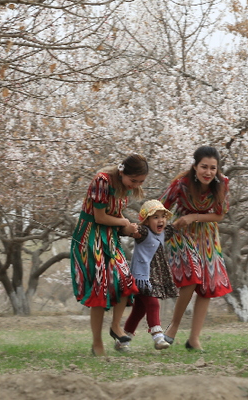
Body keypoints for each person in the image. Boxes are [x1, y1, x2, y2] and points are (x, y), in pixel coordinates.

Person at [70, 154, 147, 356]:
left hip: (110, 238)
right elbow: (100, 216)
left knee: (125, 281)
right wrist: (123, 223)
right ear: (122, 172)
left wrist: (129, 227)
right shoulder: (102, 181)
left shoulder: (124, 187)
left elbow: (115, 216)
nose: (135, 185)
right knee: (100, 288)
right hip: (90, 238)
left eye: (140, 182)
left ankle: (115, 326)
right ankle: (97, 344)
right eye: (133, 180)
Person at [161, 146, 233, 351]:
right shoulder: (180, 184)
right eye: (204, 167)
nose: (208, 172)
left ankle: (194, 339)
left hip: (208, 235)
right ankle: (173, 326)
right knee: (193, 276)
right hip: (181, 232)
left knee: (208, 286)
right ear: (194, 166)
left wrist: (195, 216)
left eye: (213, 168)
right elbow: (161, 206)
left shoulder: (222, 184)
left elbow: (220, 215)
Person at [122, 199, 179, 350]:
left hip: (154, 278)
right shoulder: (145, 232)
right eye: (155, 217)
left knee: (138, 311)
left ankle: (122, 341)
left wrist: (189, 219)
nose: (161, 220)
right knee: (153, 303)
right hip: (142, 278)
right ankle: (158, 337)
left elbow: (174, 227)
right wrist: (129, 228)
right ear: (146, 221)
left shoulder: (162, 233)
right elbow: (135, 232)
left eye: (163, 217)